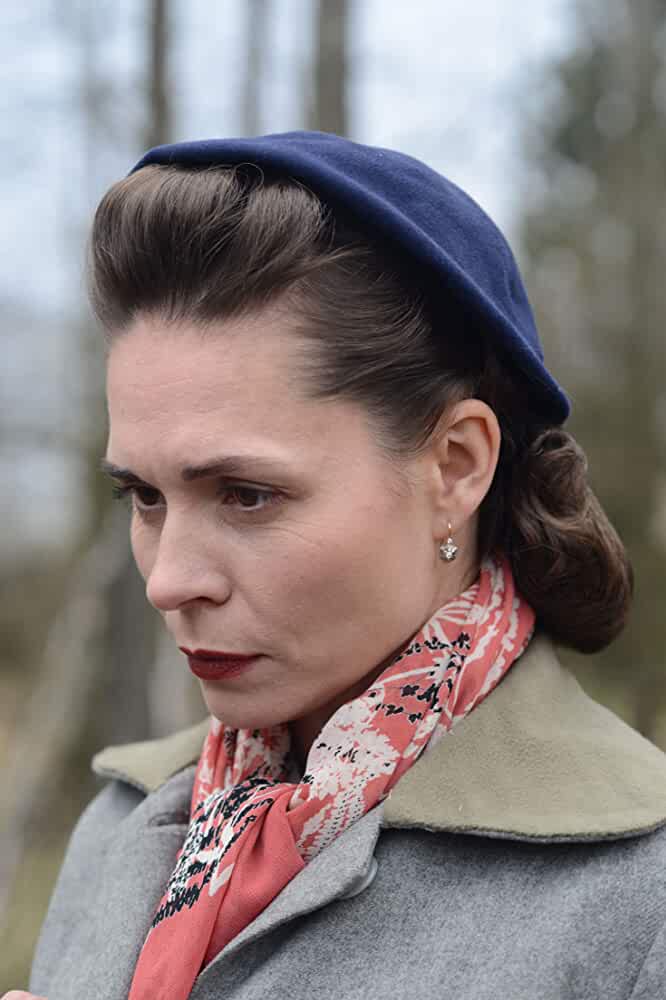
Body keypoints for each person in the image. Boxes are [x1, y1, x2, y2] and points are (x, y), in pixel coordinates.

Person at [15, 131, 666, 1000]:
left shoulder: (640, 896)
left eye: (247, 495)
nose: (168, 580)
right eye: (144, 496)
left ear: (456, 466)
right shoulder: (123, 821)